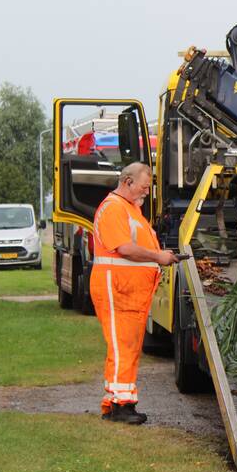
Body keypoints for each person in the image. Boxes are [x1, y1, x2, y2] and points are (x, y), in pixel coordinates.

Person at [90, 162, 179, 424]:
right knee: (122, 348)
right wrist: (158, 257)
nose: (145, 192)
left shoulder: (129, 210)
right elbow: (125, 249)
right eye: (143, 187)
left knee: (127, 348)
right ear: (127, 182)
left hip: (128, 292)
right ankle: (120, 406)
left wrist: (160, 258)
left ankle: (120, 403)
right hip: (117, 289)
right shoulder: (114, 208)